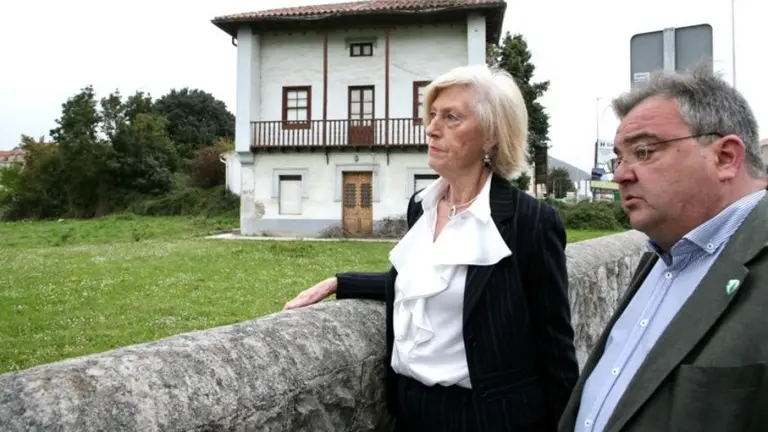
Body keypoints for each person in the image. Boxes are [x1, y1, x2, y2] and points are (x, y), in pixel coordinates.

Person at [283, 64, 579, 431]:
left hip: (490, 419)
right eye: (433, 115)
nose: (432, 128)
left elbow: (555, 345)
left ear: (490, 136)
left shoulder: (529, 222)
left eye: (451, 117)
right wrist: (341, 283)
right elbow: (428, 281)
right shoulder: (420, 206)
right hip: (412, 411)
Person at [558, 65, 768, 432]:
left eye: (644, 151)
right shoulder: (661, 258)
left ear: (725, 157)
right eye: (619, 159)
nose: (621, 174)